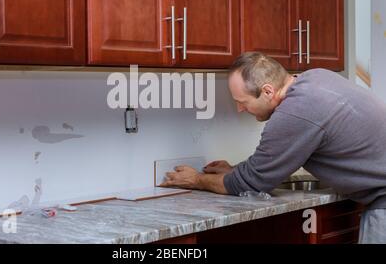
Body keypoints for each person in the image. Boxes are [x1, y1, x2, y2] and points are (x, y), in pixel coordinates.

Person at [161, 52, 386, 244]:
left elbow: (253, 182)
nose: (240, 109)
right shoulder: (317, 77)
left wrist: (196, 180)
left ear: (268, 91)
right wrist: (236, 169)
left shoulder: (294, 112)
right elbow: (277, 159)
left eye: (243, 101)